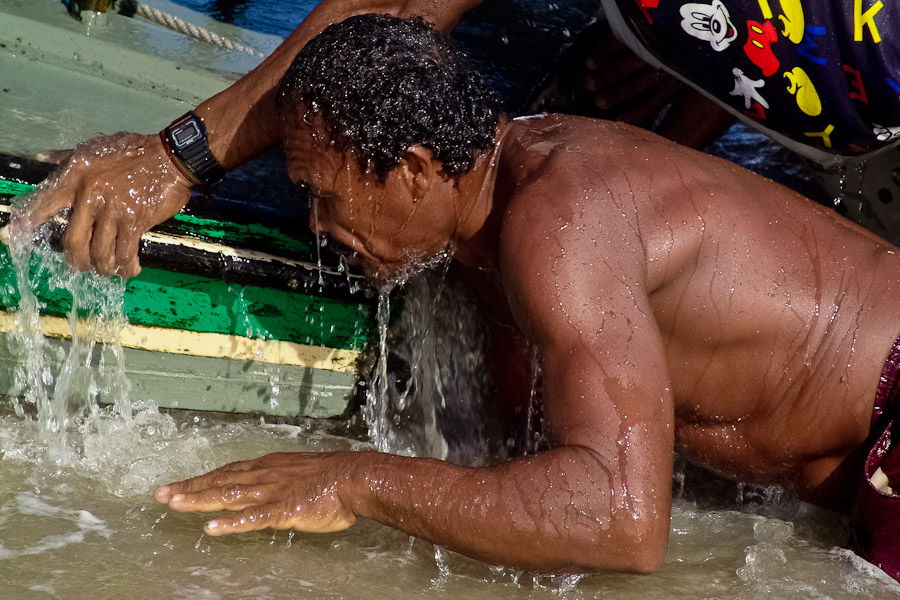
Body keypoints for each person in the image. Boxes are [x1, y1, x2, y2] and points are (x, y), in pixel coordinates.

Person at [153, 14, 900, 580]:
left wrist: (355, 483)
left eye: (322, 196)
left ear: (414, 170)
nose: (317, 226)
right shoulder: (483, 224)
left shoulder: (558, 222)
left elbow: (621, 520)